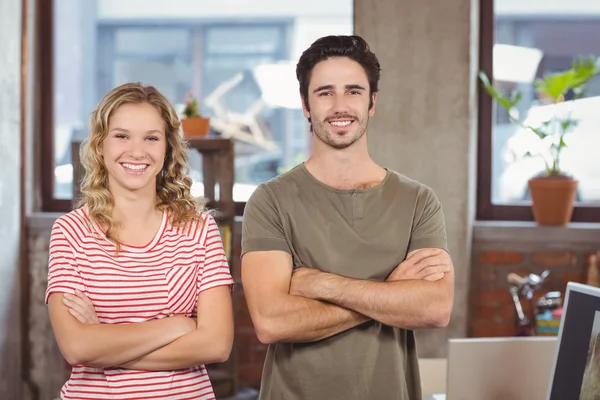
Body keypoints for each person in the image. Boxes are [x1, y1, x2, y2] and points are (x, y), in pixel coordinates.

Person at [240, 35, 455, 400]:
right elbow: (271, 322)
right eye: (325, 93)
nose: (340, 106)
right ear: (305, 105)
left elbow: (434, 308)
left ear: (372, 103)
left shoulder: (419, 201)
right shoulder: (270, 200)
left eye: (353, 91)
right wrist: (390, 293)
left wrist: (319, 284)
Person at [46, 82, 234, 400]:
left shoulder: (200, 229)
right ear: (100, 145)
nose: (137, 151)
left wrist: (105, 343)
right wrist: (177, 326)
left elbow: (216, 344)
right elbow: (77, 348)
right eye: (122, 136)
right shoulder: (70, 232)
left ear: (167, 148)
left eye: (151, 137)